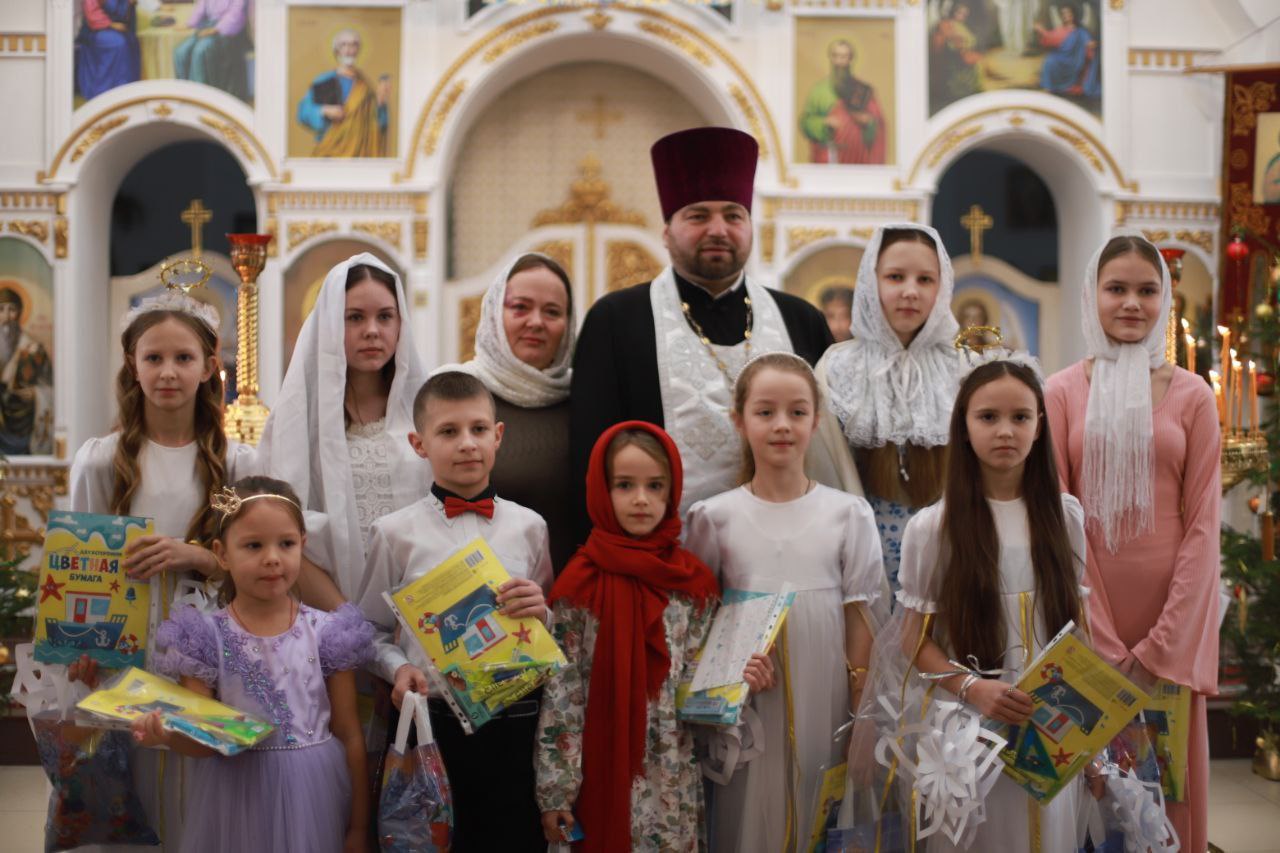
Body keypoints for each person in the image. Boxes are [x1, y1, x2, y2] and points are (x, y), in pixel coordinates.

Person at [1045, 234, 1219, 853]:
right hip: (1084, 617)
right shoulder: (1060, 391)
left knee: (1165, 791)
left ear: (1164, 299)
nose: (1131, 304)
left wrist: (1159, 646)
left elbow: (1203, 524)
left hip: (1168, 625)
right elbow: (1057, 515)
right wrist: (1102, 641)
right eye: (1116, 288)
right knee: (1085, 787)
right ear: (1091, 294)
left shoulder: (1194, 395)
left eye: (1147, 290)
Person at [570, 126, 833, 536]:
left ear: (750, 227)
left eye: (733, 215)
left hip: (787, 543)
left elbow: (827, 446)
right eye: (698, 216)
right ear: (666, 231)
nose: (718, 230)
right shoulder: (615, 320)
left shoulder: (801, 319)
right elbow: (591, 459)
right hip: (659, 554)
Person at [876, 355, 1089, 852]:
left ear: (1040, 426)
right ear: (964, 426)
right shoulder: (934, 528)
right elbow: (912, 639)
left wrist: (1091, 733)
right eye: (988, 417)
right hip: (969, 726)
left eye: (1021, 417)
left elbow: (1080, 627)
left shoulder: (1065, 516)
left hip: (1051, 724)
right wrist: (974, 689)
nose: (1006, 431)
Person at [68, 288, 257, 848]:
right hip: (126, 641)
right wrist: (81, 644)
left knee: (201, 785)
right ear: (133, 364)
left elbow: (262, 561)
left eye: (183, 358)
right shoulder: (101, 460)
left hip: (212, 642)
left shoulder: (236, 461)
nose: (168, 372)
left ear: (209, 366)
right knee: (136, 784)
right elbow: (79, 566)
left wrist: (197, 556)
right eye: (154, 357)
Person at [686, 352, 888, 853]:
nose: (782, 425)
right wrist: (730, 675)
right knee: (752, 810)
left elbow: (860, 618)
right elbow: (698, 623)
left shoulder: (848, 515)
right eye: (765, 412)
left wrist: (861, 711)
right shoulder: (714, 517)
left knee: (822, 803)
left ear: (815, 421)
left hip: (830, 692)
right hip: (752, 699)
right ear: (739, 420)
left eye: (797, 412)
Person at [358, 371, 552, 852]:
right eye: (448, 431)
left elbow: (547, 622)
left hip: (515, 719)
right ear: (419, 444)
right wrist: (397, 667)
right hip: (432, 721)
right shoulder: (394, 533)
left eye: (478, 429)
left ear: (497, 435)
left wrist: (543, 613)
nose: (467, 443)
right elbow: (369, 631)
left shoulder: (530, 527)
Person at [536, 422, 742, 851]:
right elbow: (563, 692)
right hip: (600, 763)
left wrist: (740, 676)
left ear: (673, 491)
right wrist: (556, 791)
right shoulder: (579, 584)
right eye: (625, 485)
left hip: (670, 770)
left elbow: (702, 680)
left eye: (655, 485)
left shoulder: (693, 585)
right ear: (602, 490)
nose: (641, 499)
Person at [140, 476, 374, 853]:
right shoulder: (203, 639)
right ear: (222, 554)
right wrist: (167, 734)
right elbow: (203, 742)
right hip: (235, 801)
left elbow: (349, 733)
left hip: (313, 798)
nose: (272, 558)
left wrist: (359, 827)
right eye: (253, 545)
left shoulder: (327, 633)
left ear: (303, 545)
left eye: (286, 543)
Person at [257, 254, 428, 606]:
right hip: (327, 610)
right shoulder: (297, 419)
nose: (372, 330)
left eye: (385, 316)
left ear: (401, 324)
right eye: (355, 317)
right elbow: (284, 531)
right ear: (330, 324)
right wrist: (347, 621)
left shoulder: (424, 412)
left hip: (423, 607)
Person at [809, 224, 961, 593]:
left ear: (941, 288)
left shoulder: (961, 367)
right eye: (895, 277)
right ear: (870, 281)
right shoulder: (837, 367)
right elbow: (824, 467)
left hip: (949, 549)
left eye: (925, 279)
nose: (910, 291)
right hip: (860, 552)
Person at [438, 253, 579, 572]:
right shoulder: (452, 390)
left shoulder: (584, 398)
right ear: (493, 313)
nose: (536, 322)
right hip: (466, 590)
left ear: (568, 324)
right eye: (520, 307)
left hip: (568, 591)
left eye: (552, 311)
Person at [296, 28, 390, 158]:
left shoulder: (365, 86)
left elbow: (379, 124)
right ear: (337, 51)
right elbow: (303, 112)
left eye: (353, 45)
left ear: (358, 50)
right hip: (330, 149)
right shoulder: (324, 80)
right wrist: (325, 110)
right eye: (343, 45)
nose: (348, 50)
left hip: (359, 154)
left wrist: (380, 103)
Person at [798, 39, 887, 165]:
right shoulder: (819, 90)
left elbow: (879, 123)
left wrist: (868, 122)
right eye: (835, 56)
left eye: (844, 57)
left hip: (858, 159)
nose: (839, 61)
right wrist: (824, 123)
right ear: (830, 58)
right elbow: (805, 122)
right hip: (829, 156)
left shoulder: (863, 90)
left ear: (850, 59)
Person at [0, 285, 53, 454]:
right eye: (1, 310)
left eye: (12, 310)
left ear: (20, 313)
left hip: (24, 423)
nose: (7, 316)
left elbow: (52, 387)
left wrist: (36, 393)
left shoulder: (34, 347)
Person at [173, 0, 252, 103]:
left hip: (228, 30)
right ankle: (185, 95)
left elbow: (236, 14)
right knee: (180, 52)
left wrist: (215, 29)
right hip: (208, 25)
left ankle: (201, 98)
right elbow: (200, 10)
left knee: (201, 51)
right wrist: (189, 24)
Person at [74, 0, 140, 101]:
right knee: (118, 43)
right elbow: (92, 14)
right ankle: (104, 89)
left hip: (119, 29)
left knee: (132, 42)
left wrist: (130, 4)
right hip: (97, 30)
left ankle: (124, 89)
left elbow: (124, 16)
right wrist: (111, 24)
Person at [1034, 3, 1100, 99]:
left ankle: (1066, 86)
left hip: (1074, 61)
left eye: (1068, 13)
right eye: (1063, 14)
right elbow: (1050, 38)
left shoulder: (1081, 31)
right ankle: (1049, 88)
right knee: (1049, 60)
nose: (1066, 16)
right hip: (1061, 57)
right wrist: (1041, 31)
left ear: (1073, 15)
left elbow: (1088, 43)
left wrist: (1091, 45)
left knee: (1052, 60)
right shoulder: (1061, 29)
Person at [929, 1, 983, 112]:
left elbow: (970, 43)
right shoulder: (947, 25)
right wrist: (965, 51)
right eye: (960, 13)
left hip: (964, 59)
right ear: (953, 12)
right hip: (955, 62)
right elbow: (951, 46)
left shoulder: (963, 26)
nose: (962, 16)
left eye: (965, 14)